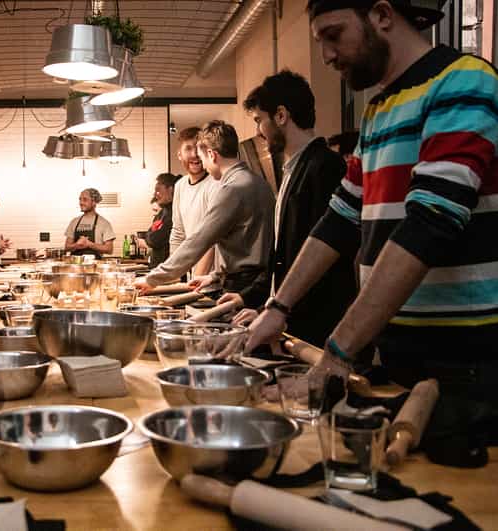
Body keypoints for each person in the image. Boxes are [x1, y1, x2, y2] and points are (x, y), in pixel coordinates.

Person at [246, 0, 498, 404]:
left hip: (463, 355)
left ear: (382, 15)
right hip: (397, 346)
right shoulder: (379, 109)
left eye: (334, 36)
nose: (327, 55)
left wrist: (338, 351)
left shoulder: (462, 82)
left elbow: (431, 220)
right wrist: (277, 308)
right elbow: (338, 219)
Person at [231, 70, 356, 347]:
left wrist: (279, 311)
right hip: (288, 318)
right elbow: (283, 258)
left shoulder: (324, 166)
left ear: (281, 116)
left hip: (315, 327)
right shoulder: (293, 168)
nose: (258, 132)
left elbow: (321, 253)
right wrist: (264, 306)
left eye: (259, 121)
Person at [136, 121, 275, 311]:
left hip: (243, 286)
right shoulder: (257, 182)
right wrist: (215, 276)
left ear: (212, 154)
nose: (204, 166)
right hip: (256, 283)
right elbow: (247, 243)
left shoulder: (231, 189)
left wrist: (152, 279)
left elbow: (200, 240)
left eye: (202, 157)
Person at [170, 127, 218, 277]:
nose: (194, 154)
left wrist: (197, 280)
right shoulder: (180, 185)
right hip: (193, 278)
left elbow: (213, 238)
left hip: (213, 279)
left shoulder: (215, 182)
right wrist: (173, 274)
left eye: (199, 148)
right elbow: (178, 233)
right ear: (179, 154)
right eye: (188, 148)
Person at [64, 188, 116, 258]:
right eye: (80, 199)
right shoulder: (74, 222)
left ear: (94, 202)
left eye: (85, 199)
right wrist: (77, 245)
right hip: (75, 266)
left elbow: (109, 249)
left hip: (95, 266)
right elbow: (67, 247)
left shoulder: (104, 223)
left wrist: (89, 244)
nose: (81, 203)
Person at [145, 173, 181, 268]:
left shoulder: (175, 212)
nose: (155, 194)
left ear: (170, 189)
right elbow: (149, 236)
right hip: (157, 267)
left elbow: (155, 239)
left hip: (169, 269)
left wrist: (150, 236)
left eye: (158, 190)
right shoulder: (162, 213)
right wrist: (149, 236)